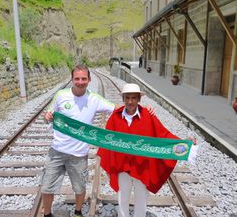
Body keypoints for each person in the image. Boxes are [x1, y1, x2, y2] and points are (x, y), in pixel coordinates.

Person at [97, 83, 196, 217]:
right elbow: (107, 139)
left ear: (139, 99)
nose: (130, 101)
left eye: (133, 98)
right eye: (127, 98)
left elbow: (163, 135)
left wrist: (184, 142)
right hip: (122, 166)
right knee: (122, 197)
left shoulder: (148, 116)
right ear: (123, 99)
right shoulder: (115, 116)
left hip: (142, 166)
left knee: (141, 198)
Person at [41, 64, 115, 217]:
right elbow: (48, 114)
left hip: (79, 154)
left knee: (80, 188)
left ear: (89, 79)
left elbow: (117, 109)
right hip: (57, 151)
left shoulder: (94, 99)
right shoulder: (61, 95)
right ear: (72, 79)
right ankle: (47, 214)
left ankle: (78, 212)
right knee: (47, 187)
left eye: (83, 78)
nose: (80, 82)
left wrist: (142, 109)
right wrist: (47, 117)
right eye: (77, 78)